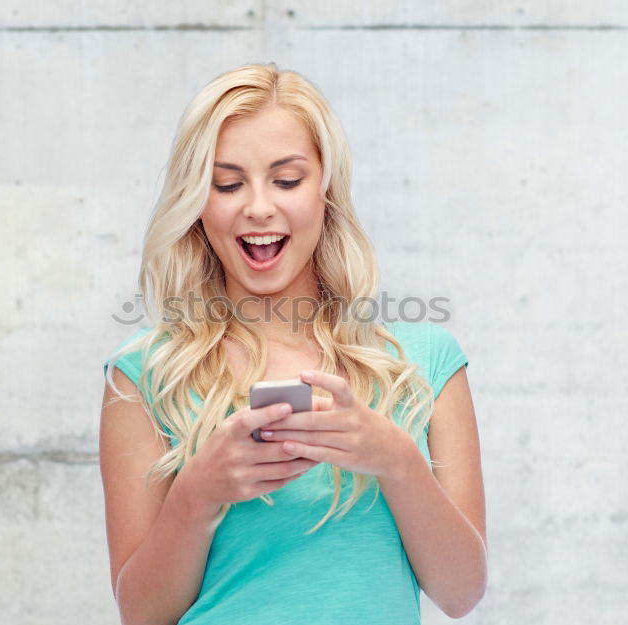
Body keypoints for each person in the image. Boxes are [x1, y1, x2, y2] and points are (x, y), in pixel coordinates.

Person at [99, 62, 487, 625]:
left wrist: (396, 460)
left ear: (325, 188)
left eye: (286, 180)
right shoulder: (144, 373)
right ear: (197, 203)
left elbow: (462, 593)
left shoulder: (425, 363)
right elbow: (141, 614)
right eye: (228, 183)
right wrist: (198, 493)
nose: (258, 207)